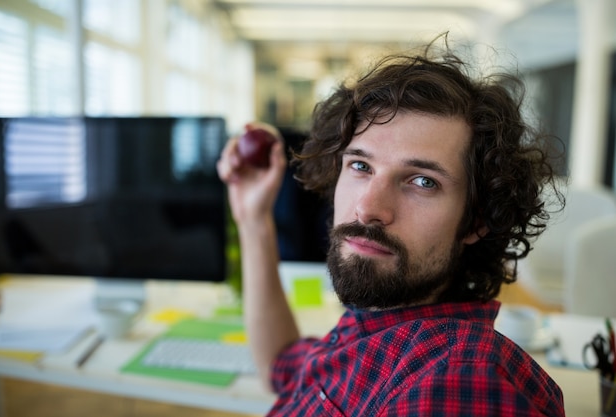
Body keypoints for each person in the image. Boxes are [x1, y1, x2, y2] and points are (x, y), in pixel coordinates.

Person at [217, 37, 565, 416]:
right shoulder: (375, 323)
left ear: (476, 221)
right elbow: (282, 368)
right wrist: (253, 219)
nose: (368, 208)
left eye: (422, 181)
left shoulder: (458, 380)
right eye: (361, 167)